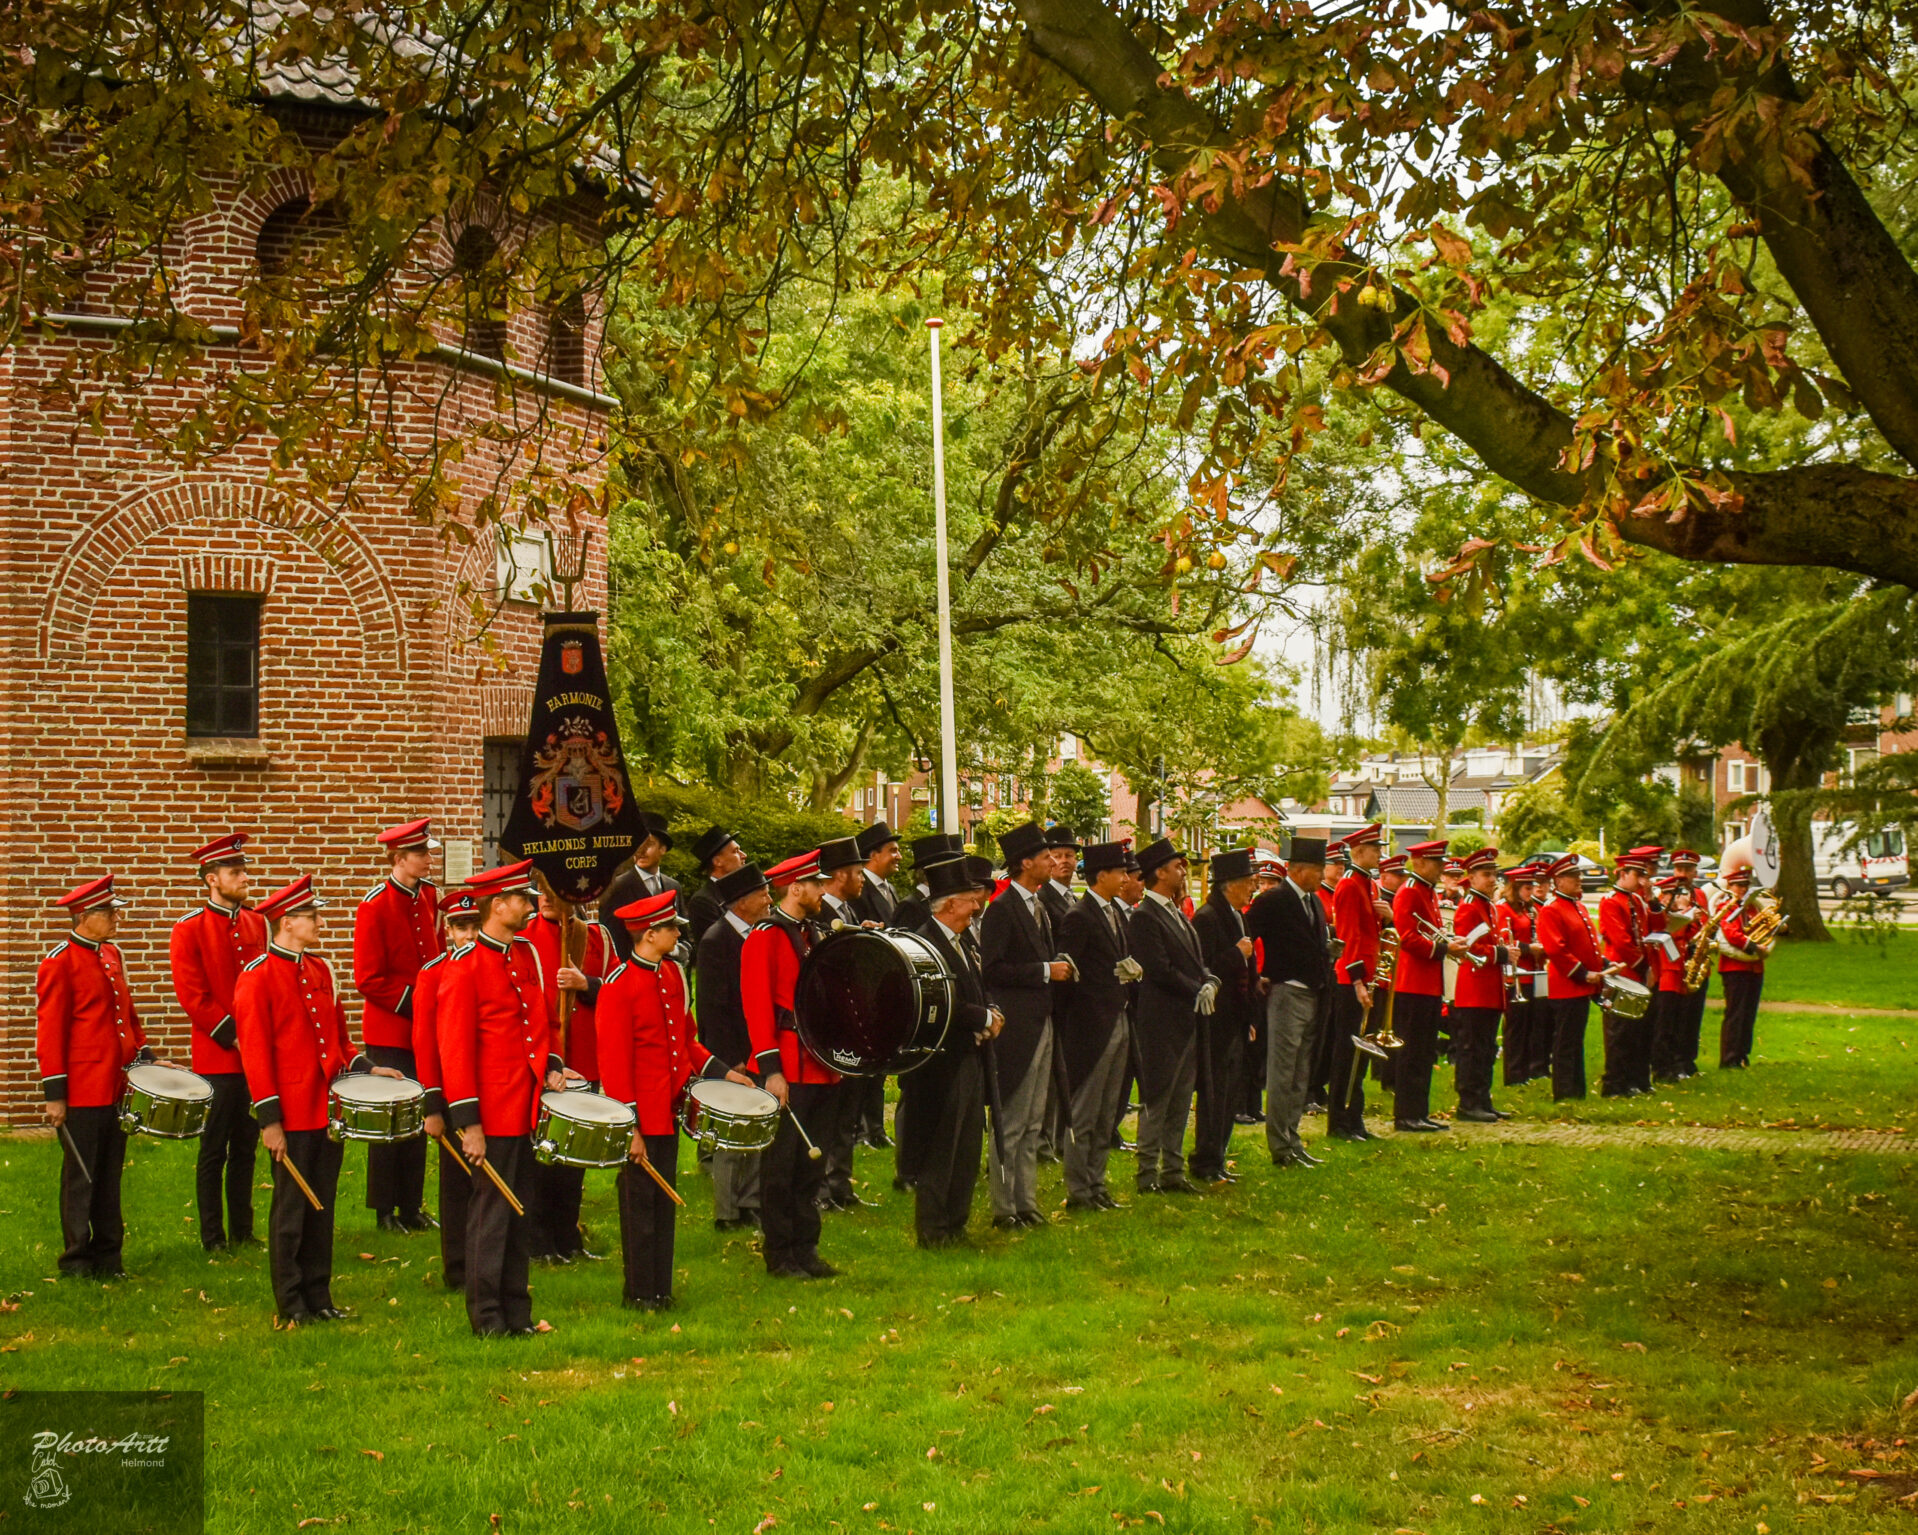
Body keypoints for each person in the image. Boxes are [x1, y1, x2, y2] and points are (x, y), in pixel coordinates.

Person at [237, 875, 398, 1324]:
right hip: (290, 1112)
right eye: (312, 916)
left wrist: (367, 1068)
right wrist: (270, 1120)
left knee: (321, 1207)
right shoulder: (257, 976)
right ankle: (291, 1303)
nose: (320, 923)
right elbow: (255, 1054)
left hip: (327, 1110)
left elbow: (339, 1040)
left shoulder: (320, 970)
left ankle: (319, 1296)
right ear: (287, 922)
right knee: (291, 1210)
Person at [598, 889, 754, 1310]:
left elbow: (686, 1041)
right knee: (639, 1205)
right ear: (649, 934)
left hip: (668, 1110)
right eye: (671, 928)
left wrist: (725, 1073)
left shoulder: (671, 973)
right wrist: (630, 1127)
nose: (678, 935)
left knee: (663, 1202)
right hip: (640, 1115)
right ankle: (639, 1292)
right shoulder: (618, 985)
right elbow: (614, 1066)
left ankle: (660, 1289)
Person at [440, 859, 567, 1337]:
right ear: (497, 905)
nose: (529, 906)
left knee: (519, 1212)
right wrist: (468, 1123)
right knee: (491, 1215)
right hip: (491, 1113)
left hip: (525, 1107)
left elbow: (542, 1022)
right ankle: (487, 1316)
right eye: (521, 899)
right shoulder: (465, 967)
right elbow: (455, 1051)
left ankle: (517, 1311)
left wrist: (552, 1064)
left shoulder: (524, 955)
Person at [39, 873, 155, 1279]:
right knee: (82, 1177)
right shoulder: (59, 963)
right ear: (84, 916)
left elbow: (126, 1015)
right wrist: (56, 1094)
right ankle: (76, 1260)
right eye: (109, 912)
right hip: (83, 1089)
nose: (116, 918)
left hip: (115, 1087)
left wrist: (146, 1055)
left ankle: (109, 1257)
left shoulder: (111, 954)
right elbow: (50, 1033)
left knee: (109, 1175)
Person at [742, 850, 841, 1278]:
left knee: (812, 1164)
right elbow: (756, 1006)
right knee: (781, 1166)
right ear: (796, 888)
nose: (823, 891)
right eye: (817, 884)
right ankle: (780, 1253)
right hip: (786, 1064)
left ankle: (806, 1247)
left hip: (819, 1062)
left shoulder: (814, 933)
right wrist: (771, 1070)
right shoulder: (765, 935)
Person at [170, 831, 267, 1251]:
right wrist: (235, 1036)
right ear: (212, 879)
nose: (244, 877)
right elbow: (193, 996)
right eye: (235, 871)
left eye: (244, 870)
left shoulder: (256, 922)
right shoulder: (189, 928)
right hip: (217, 1057)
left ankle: (243, 1231)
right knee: (213, 1150)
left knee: (247, 1147)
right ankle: (213, 1236)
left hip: (255, 1058)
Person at [903, 857, 1004, 1247]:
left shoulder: (964, 939)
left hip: (970, 1055)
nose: (977, 906)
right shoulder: (924, 943)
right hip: (941, 1064)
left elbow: (977, 984)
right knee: (942, 1145)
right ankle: (934, 1229)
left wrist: (990, 1010)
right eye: (969, 900)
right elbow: (935, 1000)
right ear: (948, 904)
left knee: (966, 1146)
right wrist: (982, 1017)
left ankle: (956, 1224)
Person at [352, 816, 443, 1234]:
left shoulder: (429, 896)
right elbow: (368, 978)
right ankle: (384, 1210)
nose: (428, 859)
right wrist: (416, 1003)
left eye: (427, 852)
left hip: (424, 1026)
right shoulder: (375, 904)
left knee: (420, 1116)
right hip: (391, 1028)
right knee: (390, 1120)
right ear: (399, 858)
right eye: (420, 853)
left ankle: (411, 1205)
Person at [978, 821, 1071, 1226]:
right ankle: (1004, 1207)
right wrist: (1046, 971)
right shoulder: (1002, 909)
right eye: (1046, 856)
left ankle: (1026, 1202)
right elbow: (993, 969)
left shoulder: (1038, 907)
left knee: (1034, 1120)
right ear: (1025, 862)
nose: (1054, 862)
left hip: (1041, 1021)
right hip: (1016, 1027)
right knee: (1011, 1120)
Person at [523, 887, 613, 1263]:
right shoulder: (523, 938)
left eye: (554, 891)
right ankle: (538, 1241)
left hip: (584, 1060)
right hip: (546, 1064)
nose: (545, 898)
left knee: (575, 1159)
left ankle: (568, 1237)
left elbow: (617, 989)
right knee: (542, 1158)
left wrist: (585, 984)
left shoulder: (595, 937)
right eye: (541, 891)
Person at [1126, 838, 1217, 1193]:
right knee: (1158, 1098)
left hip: (1186, 1019)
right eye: (1177, 866)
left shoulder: (1177, 913)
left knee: (1180, 1099)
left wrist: (1209, 980)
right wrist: (1197, 988)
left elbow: (1194, 960)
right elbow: (1159, 969)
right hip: (1161, 1021)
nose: (1183, 870)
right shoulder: (1145, 916)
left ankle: (1173, 1170)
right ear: (1159, 873)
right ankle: (1147, 1172)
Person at [1054, 840, 1137, 1210]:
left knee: (1107, 1112)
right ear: (1101, 875)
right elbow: (1068, 973)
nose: (1125, 878)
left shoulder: (1114, 912)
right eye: (1120, 872)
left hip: (1117, 1016)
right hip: (1091, 1025)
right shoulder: (1080, 915)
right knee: (1086, 1111)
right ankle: (1079, 1189)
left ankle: (1097, 1182)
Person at [694, 861, 773, 1231]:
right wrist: (729, 1060)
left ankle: (750, 1201)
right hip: (733, 1055)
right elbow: (713, 1008)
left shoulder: (756, 934)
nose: (769, 900)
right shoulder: (716, 940)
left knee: (756, 1126)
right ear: (742, 901)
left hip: (755, 1050)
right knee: (731, 1133)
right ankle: (727, 1211)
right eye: (763, 894)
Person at [1246, 837, 1333, 1166]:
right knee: (1283, 1072)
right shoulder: (1275, 899)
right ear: (1298, 869)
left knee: (1301, 1072)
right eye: (1317, 869)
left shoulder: (1313, 902)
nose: (1322, 875)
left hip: (1313, 992)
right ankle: (1280, 1145)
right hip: (1286, 992)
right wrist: (1255, 976)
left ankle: (1292, 1138)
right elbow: (1245, 935)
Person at [412, 891, 481, 1291]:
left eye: (474, 927)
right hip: (453, 1094)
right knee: (457, 1185)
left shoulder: (494, 964)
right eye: (461, 928)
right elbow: (426, 1044)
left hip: (490, 1089)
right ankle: (457, 1267)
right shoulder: (433, 974)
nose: (469, 935)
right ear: (448, 932)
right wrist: (433, 1106)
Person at [815, 835, 880, 1211]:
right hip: (831, 1028)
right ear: (839, 875)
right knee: (831, 1111)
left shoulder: (850, 913)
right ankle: (824, 1187)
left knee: (848, 1111)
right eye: (858, 873)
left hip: (854, 1025)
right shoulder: (820, 914)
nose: (862, 880)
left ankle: (840, 1184)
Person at [1390, 840, 1470, 1131]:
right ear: (1420, 862)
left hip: (1428, 983)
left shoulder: (1426, 891)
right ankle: (1406, 1114)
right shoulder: (1410, 891)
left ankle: (1418, 1111)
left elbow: (1430, 932)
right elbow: (1408, 937)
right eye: (1437, 863)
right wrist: (1445, 949)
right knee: (1412, 1052)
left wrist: (1448, 942)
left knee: (1425, 1051)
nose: (1441, 869)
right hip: (1413, 983)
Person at [1191, 846, 1256, 1182]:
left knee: (1231, 1092)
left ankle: (1218, 1156)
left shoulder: (1238, 915)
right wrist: (1235, 953)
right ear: (1229, 884)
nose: (1253, 887)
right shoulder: (1207, 918)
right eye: (1248, 881)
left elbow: (1249, 972)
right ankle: (1205, 1159)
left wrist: (1250, 1017)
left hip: (1236, 1017)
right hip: (1216, 1019)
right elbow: (1203, 969)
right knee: (1214, 1092)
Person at [1535, 852, 1619, 1100]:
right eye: (1573, 876)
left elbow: (1588, 945)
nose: (1579, 879)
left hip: (1581, 985)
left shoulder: (1578, 906)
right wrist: (1582, 974)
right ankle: (1564, 1092)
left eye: (1578, 875)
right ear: (1559, 881)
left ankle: (1576, 1091)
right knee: (1565, 1042)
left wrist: (1604, 963)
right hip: (1566, 985)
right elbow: (1556, 949)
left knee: (1575, 1039)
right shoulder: (1552, 910)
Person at [1326, 822, 1391, 1144]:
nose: (1380, 854)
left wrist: (1385, 917)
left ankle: (1354, 1118)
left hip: (1366, 976)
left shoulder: (1368, 884)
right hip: (1352, 979)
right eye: (1375, 849)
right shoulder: (1351, 885)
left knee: (1361, 1053)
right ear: (1360, 851)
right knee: (1347, 1054)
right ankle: (1340, 1120)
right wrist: (1357, 982)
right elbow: (1348, 936)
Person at [1448, 847, 1511, 1122]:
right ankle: (1468, 1102)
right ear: (1471, 878)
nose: (1492, 880)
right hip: (1474, 990)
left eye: (1494, 874)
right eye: (1486, 875)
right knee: (1472, 1049)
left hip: (1488, 989)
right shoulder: (1469, 907)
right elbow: (1470, 948)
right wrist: (1502, 954)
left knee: (1486, 1049)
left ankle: (1483, 1099)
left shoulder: (1487, 906)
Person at [1596, 848, 1656, 1096]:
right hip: (1621, 970)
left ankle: (1638, 1078)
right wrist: (1643, 966)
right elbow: (1621, 941)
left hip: (1639, 970)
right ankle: (1615, 1082)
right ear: (1623, 874)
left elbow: (1654, 927)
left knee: (1640, 1030)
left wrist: (1653, 900)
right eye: (1637, 875)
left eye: (1644, 875)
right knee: (1619, 1031)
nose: (1642, 881)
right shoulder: (1611, 901)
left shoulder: (1637, 900)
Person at [597, 811, 678, 962]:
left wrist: (680, 951)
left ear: (663, 849)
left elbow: (682, 930)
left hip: (667, 969)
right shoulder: (617, 887)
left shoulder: (673, 886)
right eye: (637, 844)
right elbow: (613, 939)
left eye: (649, 844)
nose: (641, 851)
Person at [1496, 862, 1549, 1086]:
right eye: (1527, 888)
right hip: (1517, 973)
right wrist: (1529, 948)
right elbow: (1503, 939)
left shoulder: (1529, 909)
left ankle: (1528, 1069)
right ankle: (1514, 1073)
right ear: (1515, 888)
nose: (1531, 892)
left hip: (1534, 971)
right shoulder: (1503, 909)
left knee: (1533, 1024)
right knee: (1516, 1027)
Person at [1716, 869, 1766, 1069]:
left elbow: (1764, 930)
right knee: (1735, 1014)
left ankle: (1743, 1055)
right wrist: (1754, 946)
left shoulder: (1753, 908)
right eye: (1738, 885)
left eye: (1746, 885)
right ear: (1729, 887)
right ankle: (1729, 1058)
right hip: (1734, 967)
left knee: (1749, 1013)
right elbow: (1731, 933)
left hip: (1755, 967)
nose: (1743, 890)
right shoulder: (1726, 908)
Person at [1666, 850, 1709, 1078]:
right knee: (1677, 1016)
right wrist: (1684, 912)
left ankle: (1689, 1062)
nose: (1682, 874)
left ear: (1695, 872)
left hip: (1697, 961)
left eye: (1687, 870)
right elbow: (1668, 928)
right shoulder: (1667, 895)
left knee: (1694, 1015)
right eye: (1678, 869)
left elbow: (1706, 923)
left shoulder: (1699, 894)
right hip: (1677, 960)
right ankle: (1675, 1062)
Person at [681, 826, 747, 966]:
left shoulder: (744, 892)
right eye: (735, 851)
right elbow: (719, 948)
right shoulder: (703, 901)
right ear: (717, 861)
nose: (744, 855)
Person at [891, 834, 965, 934]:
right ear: (929, 870)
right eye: (945, 867)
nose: (950, 872)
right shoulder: (909, 906)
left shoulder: (940, 900)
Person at [851, 821, 902, 928]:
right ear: (874, 855)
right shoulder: (857, 890)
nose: (899, 857)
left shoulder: (891, 889)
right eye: (893, 851)